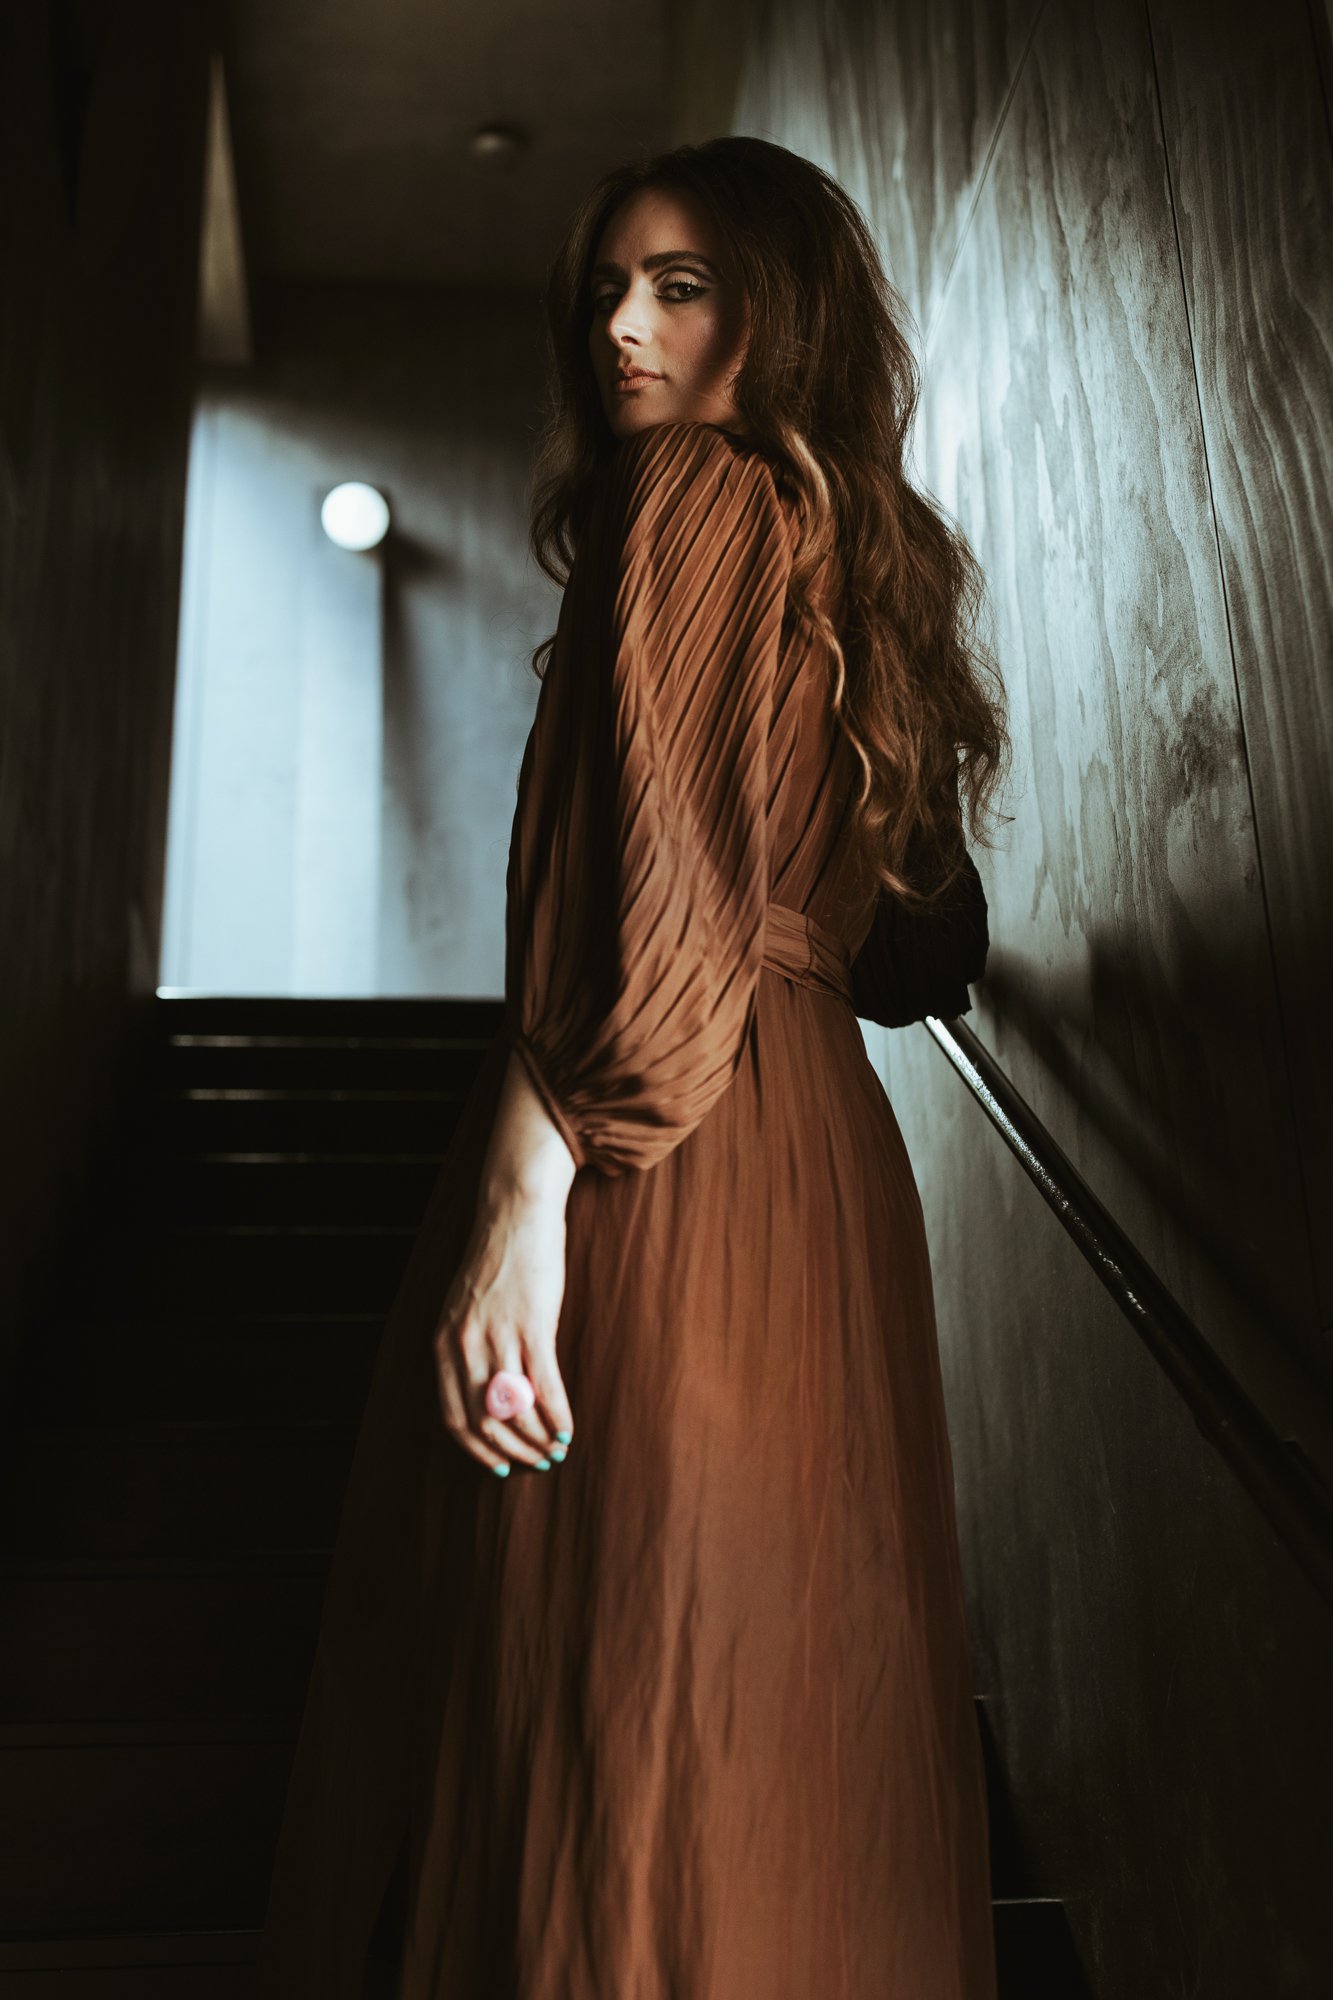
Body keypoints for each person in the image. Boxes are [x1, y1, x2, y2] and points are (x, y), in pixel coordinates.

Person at [257, 134, 1008, 1999]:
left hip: (661, 1153)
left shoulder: (688, 498)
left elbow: (662, 925)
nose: (619, 324)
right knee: (775, 1730)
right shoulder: (851, 551)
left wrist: (534, 1181)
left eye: (679, 286)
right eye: (605, 285)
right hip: (822, 1170)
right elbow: (923, 945)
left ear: (782, 312)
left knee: (625, 1701)